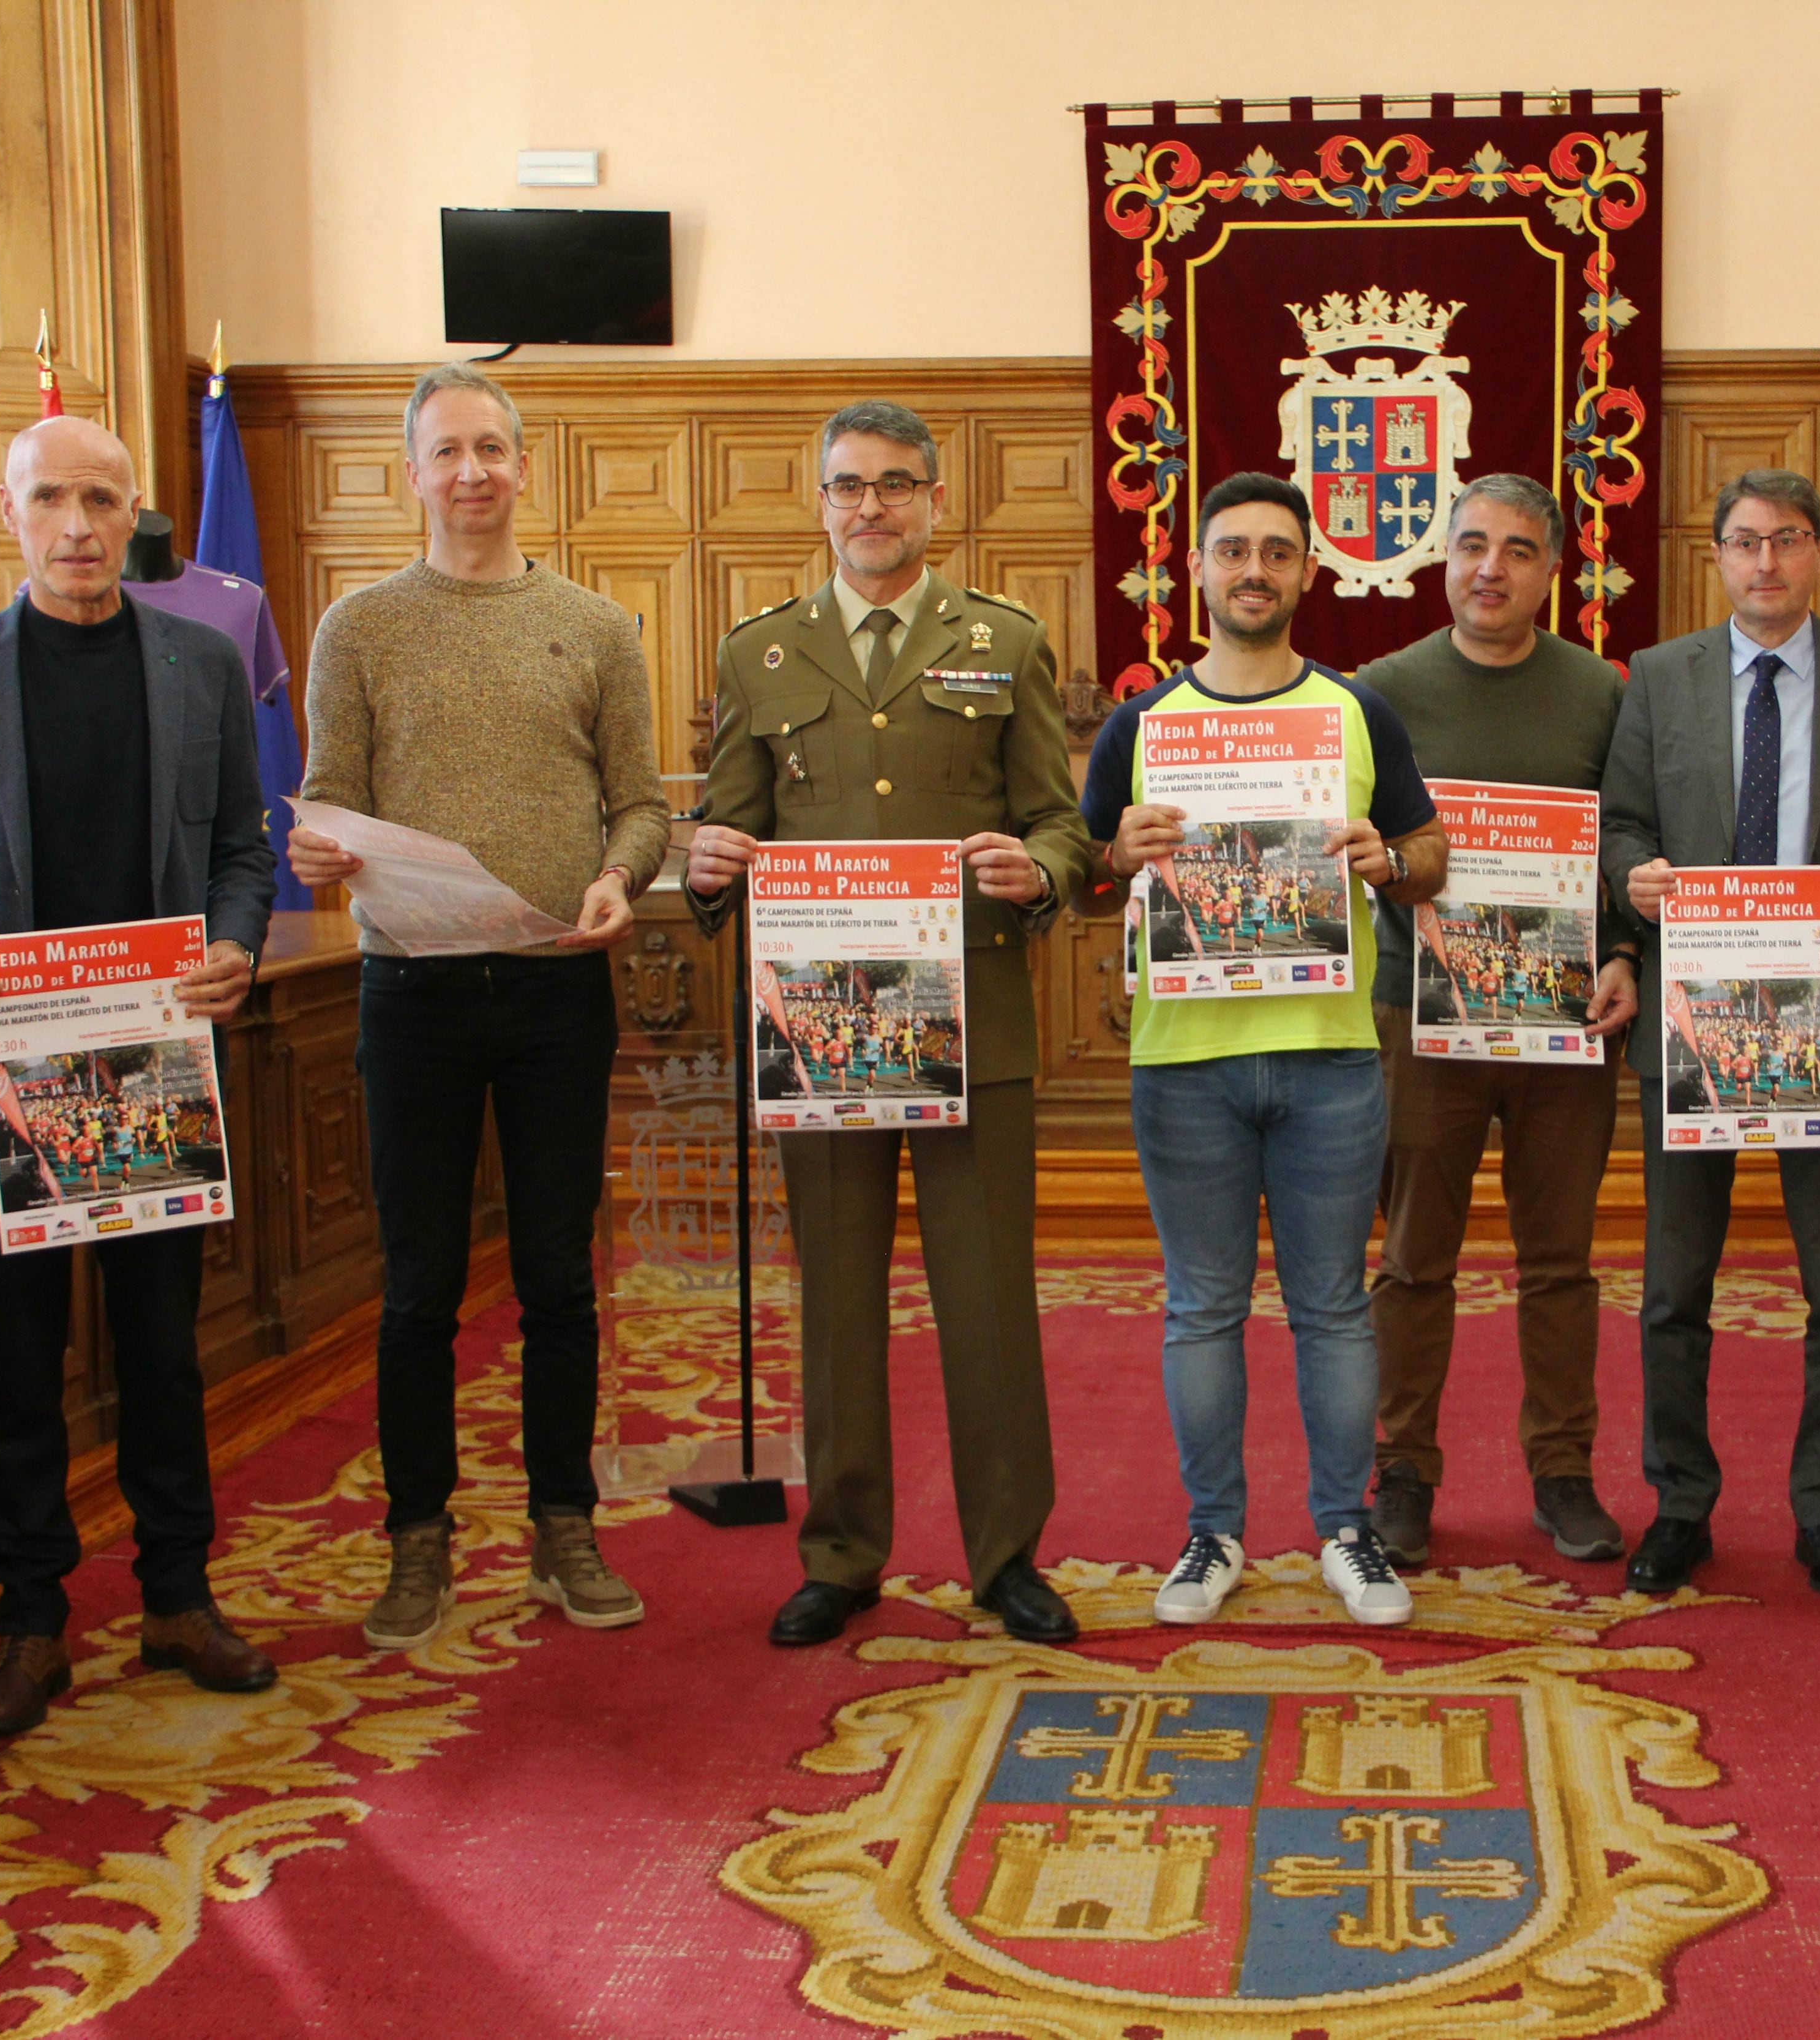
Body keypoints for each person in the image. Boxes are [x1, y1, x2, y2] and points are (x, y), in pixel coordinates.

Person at [0, 415, 279, 1738]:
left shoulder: (201, 665)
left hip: (151, 1062)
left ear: (135, 513)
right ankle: (32, 1620)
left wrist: (236, 945)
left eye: (102, 499)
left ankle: (177, 1596)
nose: (80, 526)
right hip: (6, 1074)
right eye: (52, 500)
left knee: (162, 1351)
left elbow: (243, 855)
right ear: (8, 514)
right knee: (21, 1365)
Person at [685, 399, 1093, 1651]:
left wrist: (1043, 870)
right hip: (815, 1024)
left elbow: (1060, 821)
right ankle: (845, 1551)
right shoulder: (761, 653)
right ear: (819, 502)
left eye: (898, 485)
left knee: (986, 1296)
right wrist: (706, 862)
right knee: (840, 1296)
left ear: (933, 501)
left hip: (972, 1014)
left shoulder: (1004, 641)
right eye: (850, 485)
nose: (872, 506)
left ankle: (1007, 1551)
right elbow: (729, 824)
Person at [291, 362, 667, 1651]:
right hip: (415, 993)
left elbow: (643, 801)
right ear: (412, 472)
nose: (472, 473)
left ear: (524, 467)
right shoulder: (360, 626)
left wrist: (623, 874)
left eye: (493, 449)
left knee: (561, 1272)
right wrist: (317, 853)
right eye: (447, 451)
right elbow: (327, 793)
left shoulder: (600, 627)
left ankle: (565, 1524)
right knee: (420, 1283)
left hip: (562, 983)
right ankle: (418, 1539)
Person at [1084, 471, 1447, 1627]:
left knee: (1334, 1305)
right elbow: (1090, 872)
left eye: (1276, 552)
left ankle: (1347, 1529)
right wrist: (1116, 855)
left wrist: (1384, 861)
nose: (1254, 569)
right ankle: (1212, 1532)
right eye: (1232, 549)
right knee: (1202, 1306)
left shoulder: (1354, 710)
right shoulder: (1141, 725)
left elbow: (1428, 850)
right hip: (1185, 1058)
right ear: (1197, 569)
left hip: (1332, 1056)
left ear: (1309, 571)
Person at [1601, 468, 1820, 1598]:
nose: (1766, 564)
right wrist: (1629, 877)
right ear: (1719, 555)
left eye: (1787, 541)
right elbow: (1624, 819)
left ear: (1818, 550)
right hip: (1693, 1015)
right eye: (1745, 543)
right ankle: (1679, 1504)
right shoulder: (1660, 676)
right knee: (1674, 1284)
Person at [1358, 474, 1640, 1566]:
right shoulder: (1380, 691)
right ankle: (1403, 1470)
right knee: (1414, 1255)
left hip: (1566, 1023)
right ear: (1442, 560)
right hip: (1419, 1021)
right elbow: (1348, 841)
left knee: (1559, 1260)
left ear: (1551, 569)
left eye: (1518, 550)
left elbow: (1626, 839)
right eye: (1470, 545)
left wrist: (1621, 948)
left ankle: (1563, 1471)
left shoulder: (1602, 694)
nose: (1490, 568)